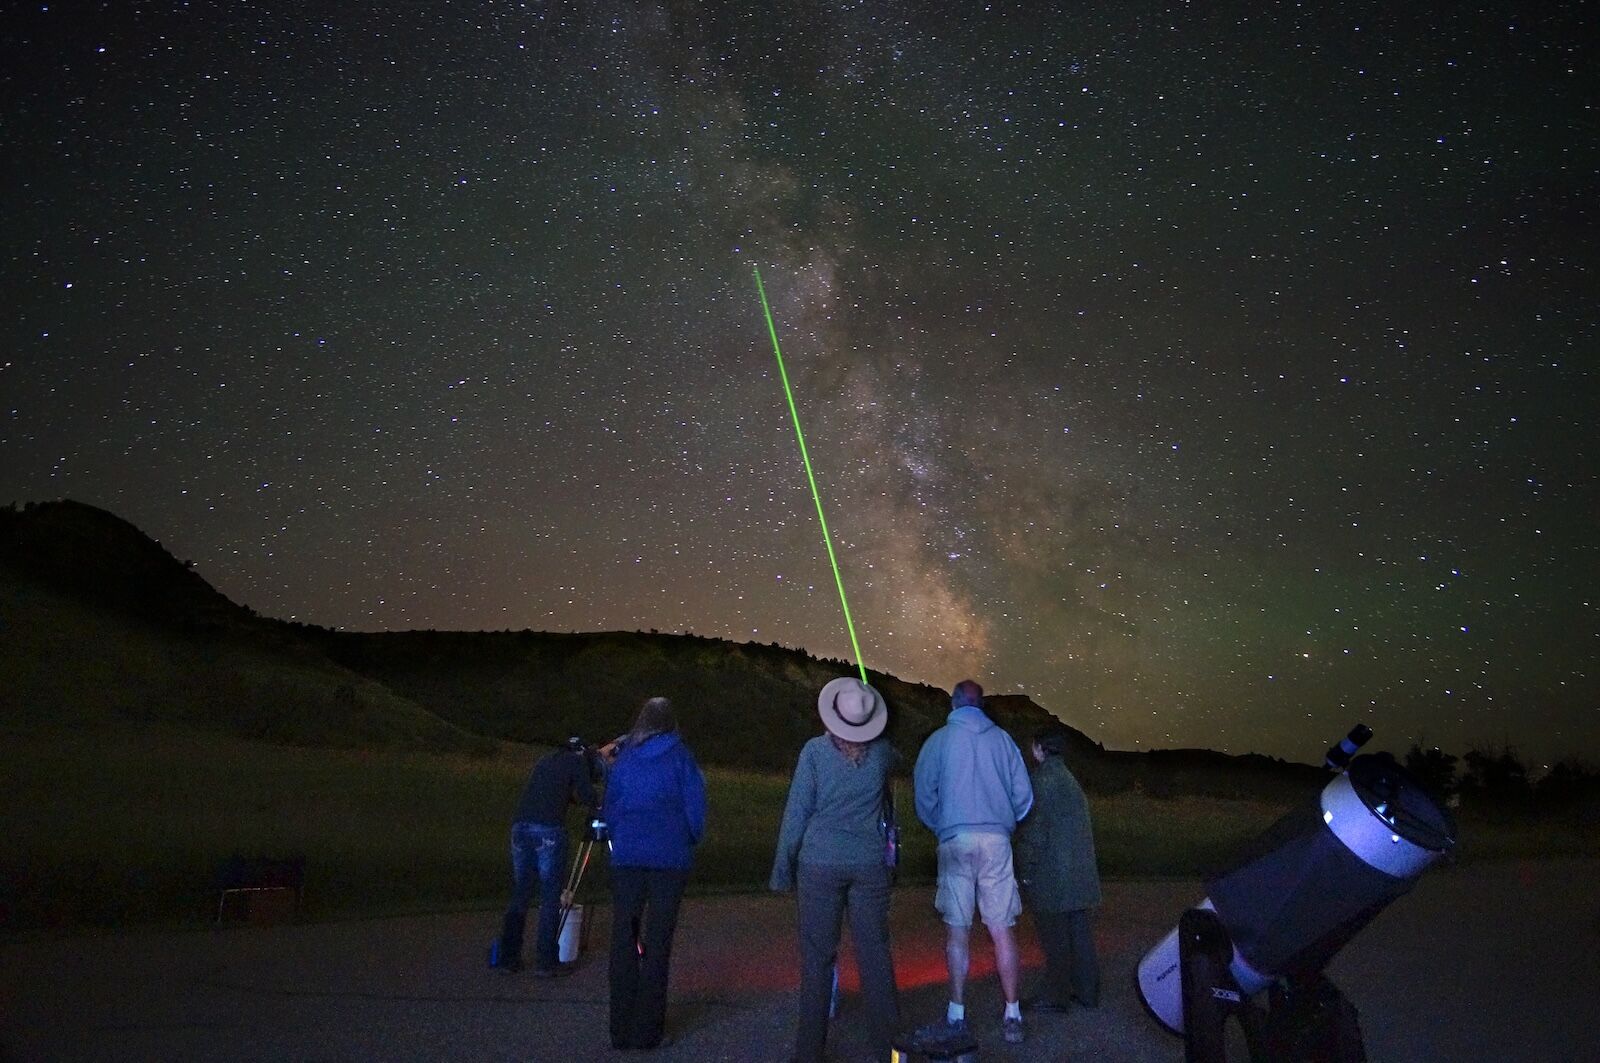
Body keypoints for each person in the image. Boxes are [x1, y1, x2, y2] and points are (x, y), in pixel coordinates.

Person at [770, 677, 901, 1063]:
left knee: (817, 960)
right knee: (875, 954)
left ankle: (809, 1054)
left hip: (819, 864)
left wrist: (782, 867)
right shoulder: (882, 754)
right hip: (869, 863)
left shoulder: (814, 752)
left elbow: (797, 812)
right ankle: (891, 1053)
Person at [911, 679, 1035, 1047]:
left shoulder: (938, 741)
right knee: (1002, 928)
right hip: (996, 840)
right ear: (981, 704)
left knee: (957, 930)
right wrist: (1004, 823)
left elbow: (924, 793)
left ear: (953, 704)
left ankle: (956, 1013)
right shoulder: (1003, 740)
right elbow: (1023, 795)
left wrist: (942, 825)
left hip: (955, 839)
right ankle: (1012, 1013)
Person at [603, 696, 707, 1050]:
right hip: (669, 861)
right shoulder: (682, 757)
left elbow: (611, 805)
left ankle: (620, 1029)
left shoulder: (626, 758)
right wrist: (688, 837)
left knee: (625, 939)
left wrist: (619, 835)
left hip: (629, 859)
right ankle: (648, 1031)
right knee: (658, 943)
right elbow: (695, 809)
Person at [492, 736, 599, 976]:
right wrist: (600, 801)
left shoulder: (545, 761)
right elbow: (586, 794)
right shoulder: (577, 761)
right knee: (550, 896)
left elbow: (556, 792)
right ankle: (545, 962)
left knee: (521, 892)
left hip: (520, 828)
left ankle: (508, 959)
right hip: (548, 831)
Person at [1014, 725, 1102, 1014]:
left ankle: (1056, 994)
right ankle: (1087, 993)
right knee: (1079, 935)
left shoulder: (1041, 781)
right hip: (1078, 874)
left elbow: (1034, 834)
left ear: (1039, 748)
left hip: (1054, 876)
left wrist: (1024, 870)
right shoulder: (1068, 779)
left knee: (1055, 939)